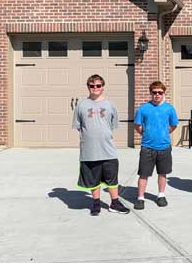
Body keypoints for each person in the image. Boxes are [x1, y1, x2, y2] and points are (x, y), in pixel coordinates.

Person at [72, 74, 129, 216]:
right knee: (93, 179)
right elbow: (79, 126)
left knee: (112, 179)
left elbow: (112, 125)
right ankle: (96, 203)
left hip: (108, 150)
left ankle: (114, 203)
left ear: (103, 87)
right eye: (92, 86)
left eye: (98, 85)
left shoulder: (110, 105)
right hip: (89, 151)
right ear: (88, 87)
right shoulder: (81, 105)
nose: (95, 88)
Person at [133, 81, 179, 209]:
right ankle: (140, 198)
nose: (157, 95)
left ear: (164, 93)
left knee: (162, 173)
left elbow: (173, 124)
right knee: (143, 174)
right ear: (150, 93)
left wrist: (164, 132)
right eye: (154, 92)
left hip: (164, 146)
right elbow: (137, 125)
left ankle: (161, 195)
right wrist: (146, 133)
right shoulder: (143, 109)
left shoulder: (169, 108)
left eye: (160, 92)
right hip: (147, 147)